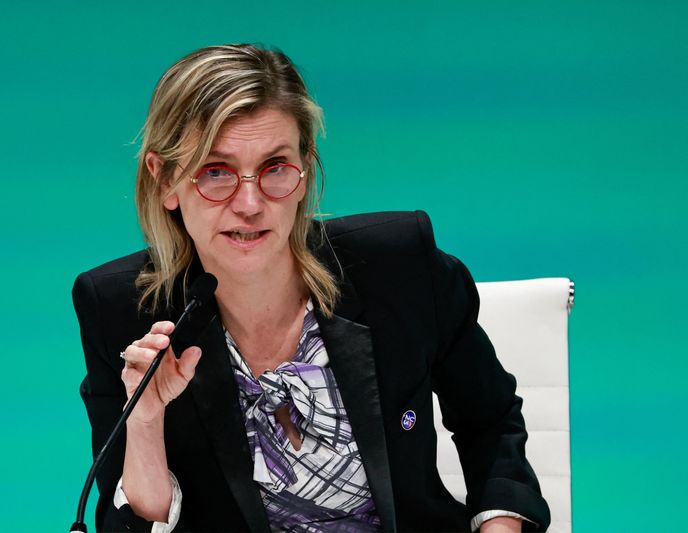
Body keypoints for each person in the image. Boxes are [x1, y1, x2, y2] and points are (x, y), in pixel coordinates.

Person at [73, 44, 550, 532]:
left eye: (275, 167)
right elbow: (125, 524)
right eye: (216, 172)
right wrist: (146, 419)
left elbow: (490, 424)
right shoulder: (120, 310)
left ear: (305, 170)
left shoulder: (399, 264)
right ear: (164, 180)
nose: (251, 203)